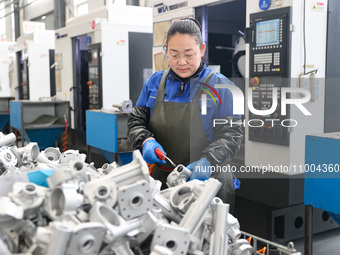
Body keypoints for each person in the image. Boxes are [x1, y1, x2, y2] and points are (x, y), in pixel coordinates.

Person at [127, 18, 243, 210]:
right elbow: (136, 121)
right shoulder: (155, 83)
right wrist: (145, 140)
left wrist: (208, 160)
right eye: (174, 55)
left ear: (202, 49)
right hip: (162, 184)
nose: (181, 62)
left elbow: (232, 135)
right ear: (166, 51)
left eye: (189, 54)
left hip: (209, 185)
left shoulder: (221, 87)